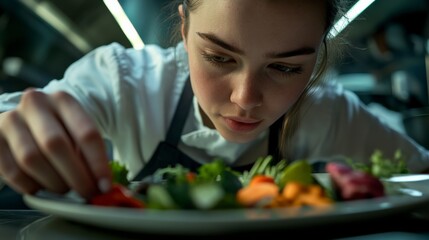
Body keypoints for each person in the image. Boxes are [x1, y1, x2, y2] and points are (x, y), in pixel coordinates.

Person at [0, 0, 428, 202]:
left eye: (285, 68)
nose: (245, 99)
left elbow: (420, 173)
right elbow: (16, 117)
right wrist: (12, 129)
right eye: (219, 57)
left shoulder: (326, 112)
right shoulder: (124, 81)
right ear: (184, 30)